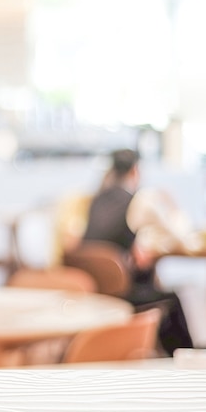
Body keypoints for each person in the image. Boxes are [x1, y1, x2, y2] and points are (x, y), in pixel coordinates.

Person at [81, 148, 193, 355]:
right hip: (123, 290)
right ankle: (185, 358)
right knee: (171, 299)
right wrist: (171, 204)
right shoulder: (136, 201)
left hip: (96, 286)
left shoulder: (96, 200)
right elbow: (179, 235)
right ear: (135, 170)